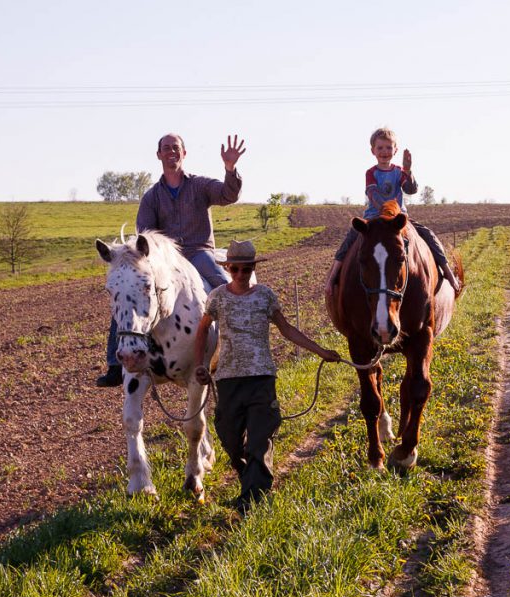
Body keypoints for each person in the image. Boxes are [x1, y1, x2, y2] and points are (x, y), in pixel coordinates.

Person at [193, 240, 341, 513]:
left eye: (245, 270)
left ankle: (252, 499)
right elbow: (203, 330)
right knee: (229, 438)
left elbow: (286, 329)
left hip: (261, 378)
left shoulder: (265, 296)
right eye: (235, 269)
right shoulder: (217, 297)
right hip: (228, 379)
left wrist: (321, 351)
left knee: (260, 440)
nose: (240, 275)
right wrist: (201, 364)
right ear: (227, 269)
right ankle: (247, 475)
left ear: (252, 269)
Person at [97, 133, 246, 387]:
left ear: (184, 153)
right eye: (166, 148)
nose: (171, 152)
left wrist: (230, 169)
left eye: (175, 148)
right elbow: (144, 238)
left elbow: (228, 195)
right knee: (126, 295)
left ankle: (239, 351)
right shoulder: (151, 197)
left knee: (226, 288)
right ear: (159, 155)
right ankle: (114, 363)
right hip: (166, 262)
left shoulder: (199, 186)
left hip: (199, 253)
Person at [325, 127, 461, 298]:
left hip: (399, 219)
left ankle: (447, 271)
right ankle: (333, 277)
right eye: (380, 148)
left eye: (389, 148)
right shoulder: (371, 173)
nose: (384, 152)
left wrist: (408, 171)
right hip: (373, 218)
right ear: (373, 150)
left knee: (428, 235)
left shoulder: (399, 172)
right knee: (350, 239)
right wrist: (385, 209)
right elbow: (372, 193)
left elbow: (410, 189)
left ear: (395, 150)